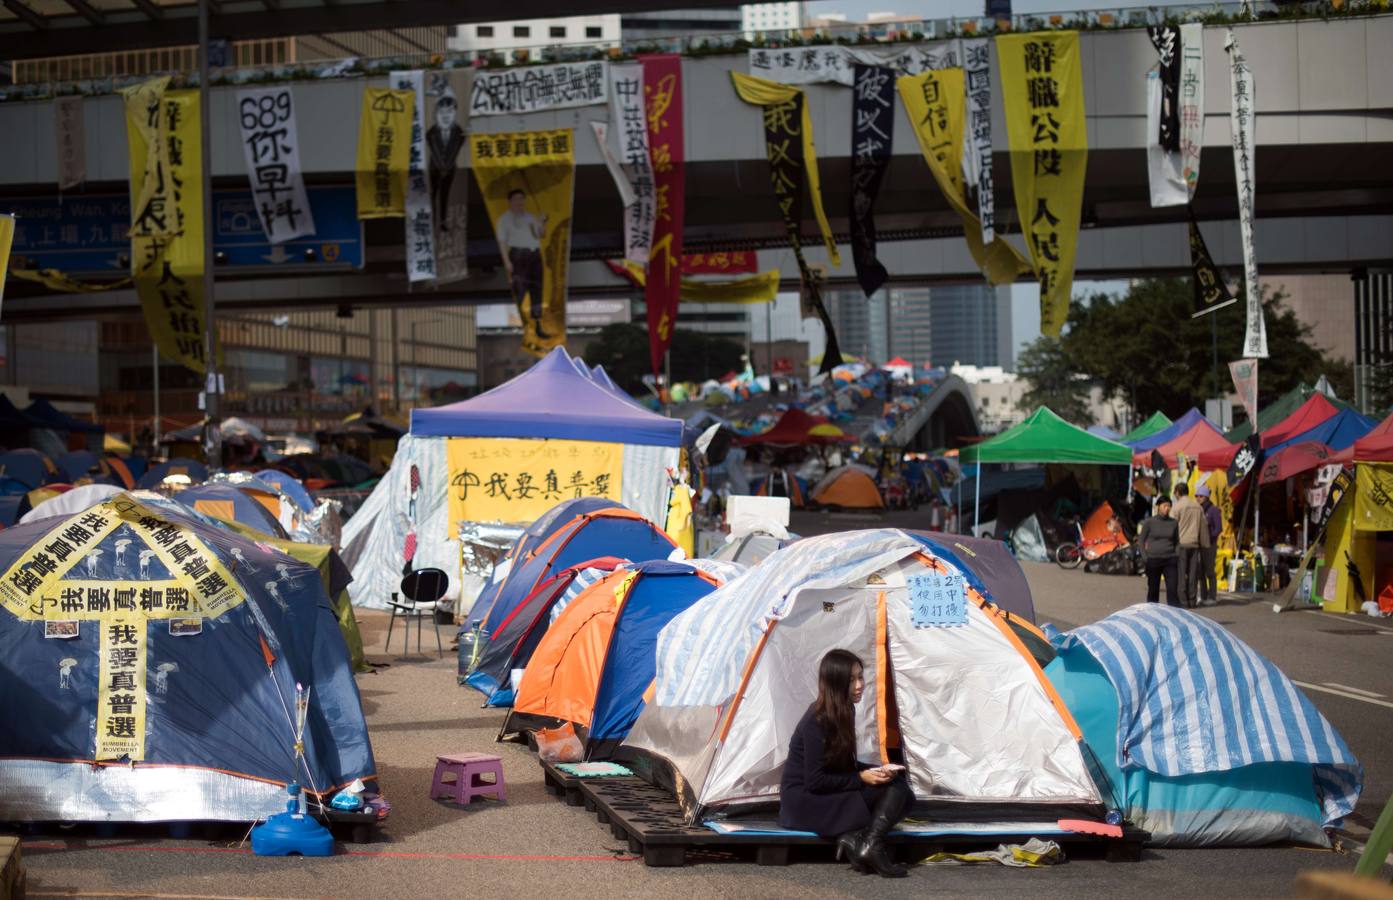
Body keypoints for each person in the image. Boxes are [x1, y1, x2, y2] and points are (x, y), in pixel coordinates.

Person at [780, 650, 914, 878]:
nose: (859, 685)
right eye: (851, 680)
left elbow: (842, 764)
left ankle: (857, 838)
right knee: (897, 791)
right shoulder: (817, 719)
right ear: (835, 682)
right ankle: (871, 844)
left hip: (824, 794)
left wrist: (874, 770)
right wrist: (861, 778)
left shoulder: (845, 710)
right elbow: (815, 781)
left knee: (902, 790)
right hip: (804, 801)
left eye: (860, 677)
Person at [494, 188, 548, 338]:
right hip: (518, 255)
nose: (520, 202)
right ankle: (520, 323)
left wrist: (542, 222)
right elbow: (502, 242)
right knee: (520, 289)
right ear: (510, 201)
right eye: (516, 199)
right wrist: (507, 262)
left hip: (534, 254)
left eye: (522, 199)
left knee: (537, 289)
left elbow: (541, 234)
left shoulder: (530, 217)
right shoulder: (504, 219)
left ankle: (537, 324)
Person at [425, 90, 465, 228]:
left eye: (450, 112)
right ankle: (432, 220)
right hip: (434, 168)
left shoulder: (460, 133)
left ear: (455, 114)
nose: (446, 116)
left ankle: (442, 221)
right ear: (436, 115)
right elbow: (434, 153)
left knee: (445, 193)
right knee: (433, 192)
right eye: (442, 112)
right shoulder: (430, 133)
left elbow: (454, 152)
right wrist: (441, 168)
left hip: (450, 168)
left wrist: (447, 169)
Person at [1172, 483, 1211, 608]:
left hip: (1181, 544)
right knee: (1193, 573)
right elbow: (1203, 526)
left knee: (1181, 573)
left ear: (1178, 492)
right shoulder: (1197, 507)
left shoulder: (1177, 507)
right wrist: (1205, 544)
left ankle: (1183, 601)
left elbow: (1171, 527)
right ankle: (1192, 600)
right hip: (1194, 544)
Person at [1138, 496, 1180, 606]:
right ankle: (1152, 614)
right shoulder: (1149, 522)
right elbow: (1141, 540)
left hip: (1170, 560)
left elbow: (1177, 541)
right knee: (1153, 590)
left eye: (1169, 506)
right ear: (1158, 506)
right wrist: (1145, 557)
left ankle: (1174, 616)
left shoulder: (1174, 523)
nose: (1167, 508)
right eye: (1164, 506)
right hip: (1153, 560)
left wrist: (1176, 555)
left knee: (1172, 589)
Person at [1197, 484, 1221, 606]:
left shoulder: (1213, 510)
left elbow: (1218, 528)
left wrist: (1210, 537)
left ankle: (1212, 596)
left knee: (1210, 571)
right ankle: (1203, 595)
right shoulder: (1198, 509)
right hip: (1199, 545)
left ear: (1206, 496)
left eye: (1201, 496)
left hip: (1210, 545)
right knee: (1200, 572)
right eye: (1197, 496)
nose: (1198, 498)